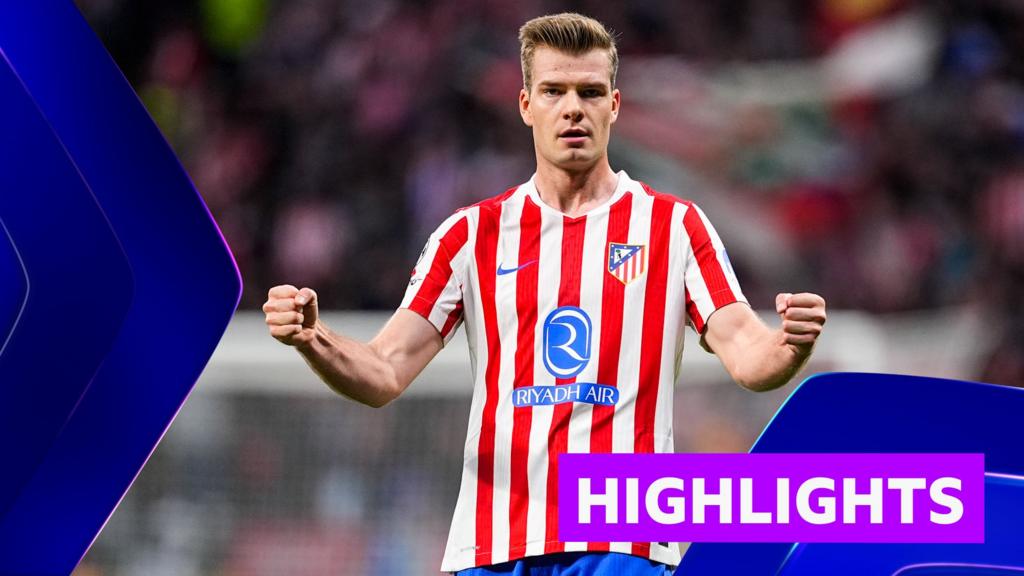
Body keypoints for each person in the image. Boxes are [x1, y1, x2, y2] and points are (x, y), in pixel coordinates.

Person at [263, 12, 826, 576]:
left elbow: (748, 355)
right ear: (526, 105)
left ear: (614, 105)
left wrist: (789, 345)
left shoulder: (673, 227)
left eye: (590, 92)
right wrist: (314, 339)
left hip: (621, 543)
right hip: (494, 548)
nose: (573, 108)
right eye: (554, 91)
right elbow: (385, 371)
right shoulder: (470, 235)